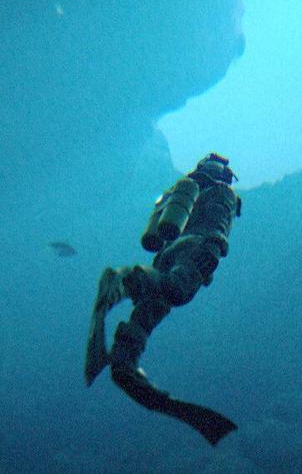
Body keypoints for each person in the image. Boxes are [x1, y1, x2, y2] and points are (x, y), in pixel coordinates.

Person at [85, 152, 243, 445]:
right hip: (194, 250)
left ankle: (124, 361)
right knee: (177, 291)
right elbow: (219, 228)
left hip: (164, 258)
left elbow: (160, 234)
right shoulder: (223, 192)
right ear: (224, 176)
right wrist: (213, 251)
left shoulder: (184, 193)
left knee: (154, 305)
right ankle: (123, 278)